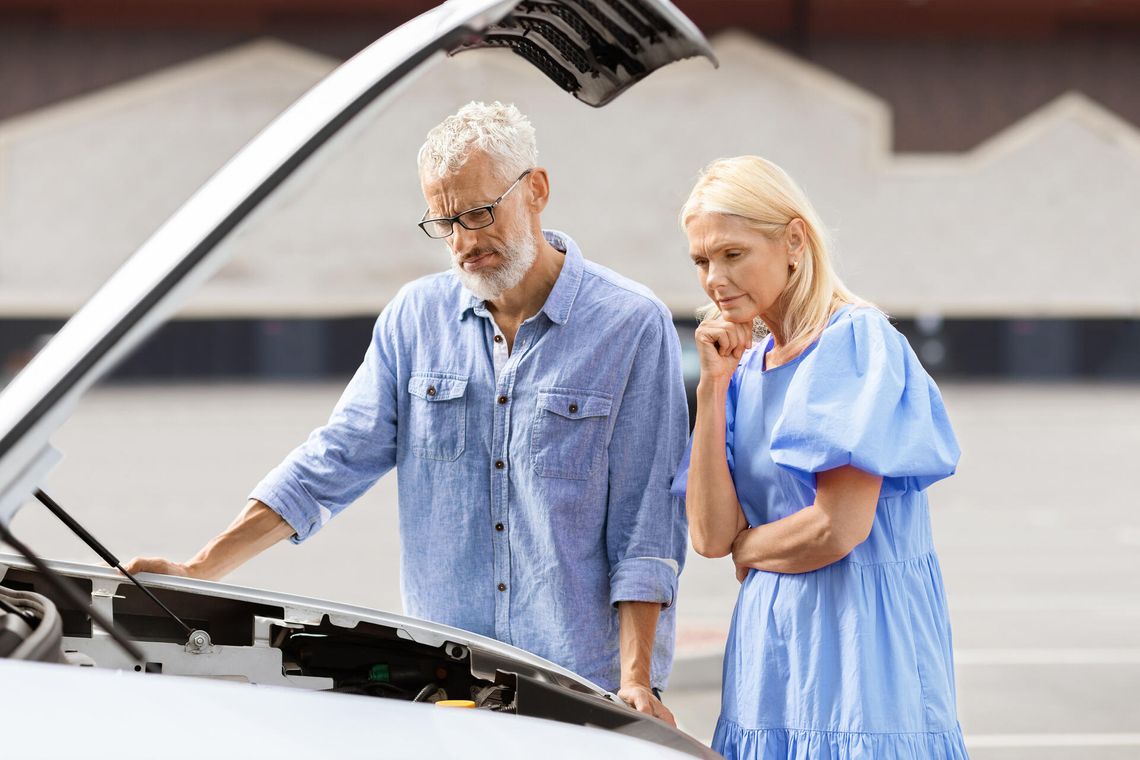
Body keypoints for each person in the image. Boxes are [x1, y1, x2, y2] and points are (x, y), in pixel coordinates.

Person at [126, 102, 689, 723]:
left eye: (478, 212)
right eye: (446, 222)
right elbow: (332, 460)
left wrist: (637, 683)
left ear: (536, 190)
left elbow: (648, 521)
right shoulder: (413, 319)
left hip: (582, 685)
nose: (465, 242)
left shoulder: (632, 324)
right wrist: (199, 569)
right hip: (445, 683)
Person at [673, 155, 968, 758]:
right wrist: (712, 385)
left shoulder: (853, 341)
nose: (714, 278)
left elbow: (837, 528)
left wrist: (750, 548)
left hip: (860, 648)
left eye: (733, 254)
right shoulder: (744, 369)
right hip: (770, 653)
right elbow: (708, 535)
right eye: (702, 260)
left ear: (793, 241)